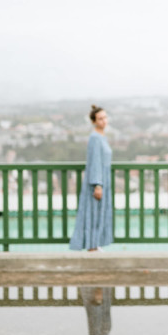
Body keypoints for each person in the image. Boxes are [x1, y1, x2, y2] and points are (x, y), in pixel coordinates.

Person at [70, 105, 113, 252]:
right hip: (97, 181)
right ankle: (92, 246)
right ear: (94, 121)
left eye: (105, 117)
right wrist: (98, 184)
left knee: (99, 213)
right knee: (94, 212)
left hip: (103, 179)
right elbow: (95, 162)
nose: (104, 121)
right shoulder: (95, 138)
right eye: (100, 118)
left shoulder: (102, 137)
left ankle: (95, 244)